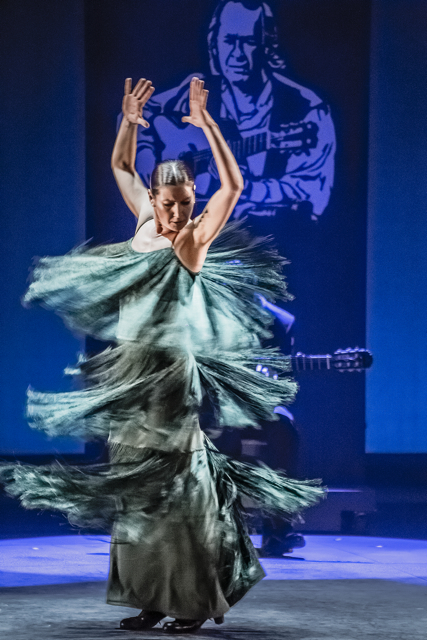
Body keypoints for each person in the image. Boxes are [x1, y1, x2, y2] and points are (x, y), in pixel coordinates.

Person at [0, 77, 326, 634]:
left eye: (187, 204)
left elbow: (235, 184)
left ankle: (193, 601)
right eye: (170, 204)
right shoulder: (146, 224)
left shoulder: (191, 241)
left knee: (179, 491)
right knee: (139, 492)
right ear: (152, 202)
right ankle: (151, 597)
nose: (178, 213)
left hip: (171, 381)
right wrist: (129, 119)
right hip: (131, 377)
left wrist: (208, 124)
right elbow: (123, 168)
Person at [133, 0, 335, 222]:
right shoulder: (195, 91)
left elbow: (312, 193)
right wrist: (151, 170)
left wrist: (248, 188)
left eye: (249, 42)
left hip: (277, 242)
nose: (237, 54)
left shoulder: (306, 109)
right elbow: (136, 116)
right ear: (215, 46)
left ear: (267, 47)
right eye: (229, 41)